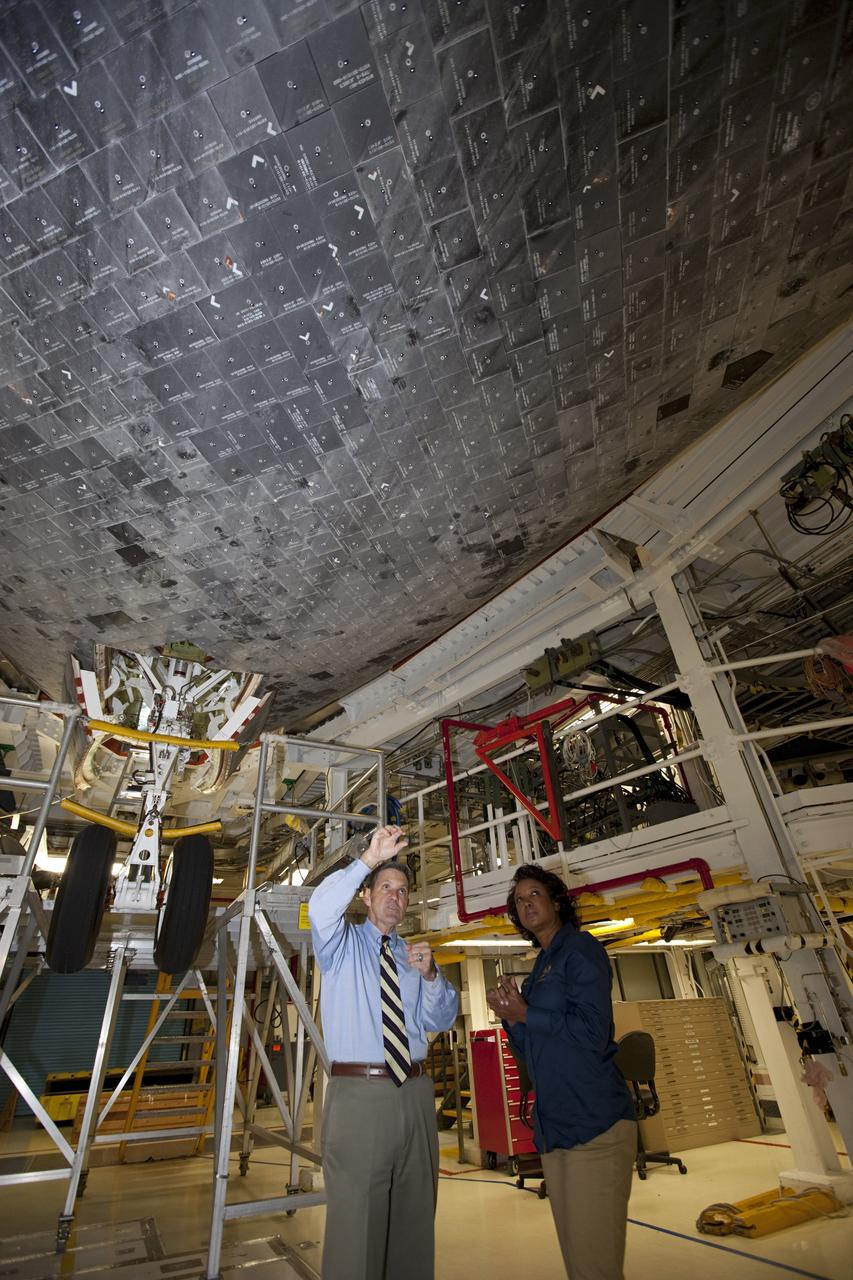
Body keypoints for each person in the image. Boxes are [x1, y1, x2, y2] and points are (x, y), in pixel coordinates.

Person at [309, 824, 459, 1280]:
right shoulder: (341, 944)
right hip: (360, 1094)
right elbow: (319, 907)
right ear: (366, 897)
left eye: (403, 891)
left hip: (414, 1094)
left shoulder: (411, 956)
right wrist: (367, 860)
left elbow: (440, 1020)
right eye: (385, 888)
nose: (395, 897)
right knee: (358, 1224)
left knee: (416, 1218)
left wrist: (432, 977)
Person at [486, 864, 637, 1280]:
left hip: (595, 1124)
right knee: (577, 1261)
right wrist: (513, 1019)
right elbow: (530, 1052)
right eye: (519, 900)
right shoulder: (539, 969)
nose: (525, 903)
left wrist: (527, 1013)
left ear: (556, 901)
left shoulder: (580, 950)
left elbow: (592, 1033)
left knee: (595, 1265)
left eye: (534, 894)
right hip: (556, 1129)